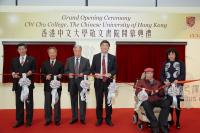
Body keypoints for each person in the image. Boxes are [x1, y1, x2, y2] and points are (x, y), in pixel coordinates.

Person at [135, 68, 171, 133]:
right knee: (145, 103)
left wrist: (164, 90)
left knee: (167, 102)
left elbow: (161, 94)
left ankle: (162, 125)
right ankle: (155, 125)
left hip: (157, 100)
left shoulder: (157, 82)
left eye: (150, 73)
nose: (149, 75)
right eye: (147, 73)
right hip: (148, 100)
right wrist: (149, 93)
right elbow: (137, 92)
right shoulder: (140, 82)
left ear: (153, 74)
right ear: (145, 74)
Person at [91, 40, 117, 126]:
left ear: (108, 47)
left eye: (106, 45)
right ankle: (99, 119)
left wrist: (110, 73)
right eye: (103, 45)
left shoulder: (113, 57)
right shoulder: (96, 57)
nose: (105, 47)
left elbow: (115, 69)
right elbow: (92, 69)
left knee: (108, 102)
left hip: (108, 83)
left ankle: (108, 119)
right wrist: (95, 74)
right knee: (99, 102)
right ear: (100, 47)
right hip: (98, 82)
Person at [11, 43, 36, 128]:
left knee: (29, 103)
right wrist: (13, 74)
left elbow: (33, 69)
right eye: (19, 49)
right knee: (19, 103)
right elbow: (12, 70)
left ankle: (29, 121)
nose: (21, 50)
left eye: (23, 49)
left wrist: (30, 72)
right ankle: (19, 121)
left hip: (28, 85)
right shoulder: (14, 60)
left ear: (26, 49)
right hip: (18, 85)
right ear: (18, 50)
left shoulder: (31, 59)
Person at [65, 45, 90, 125]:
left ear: (81, 51)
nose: (77, 52)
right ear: (73, 51)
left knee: (82, 101)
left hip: (82, 84)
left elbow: (88, 71)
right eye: (76, 51)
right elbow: (65, 71)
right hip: (72, 83)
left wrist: (83, 74)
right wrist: (69, 74)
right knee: (73, 101)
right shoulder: (69, 60)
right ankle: (74, 118)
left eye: (79, 51)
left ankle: (82, 118)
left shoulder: (86, 60)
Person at [160, 48, 185, 129]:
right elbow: (162, 75)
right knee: (169, 104)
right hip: (167, 87)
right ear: (167, 55)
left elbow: (183, 74)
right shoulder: (164, 63)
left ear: (175, 55)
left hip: (177, 86)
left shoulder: (181, 63)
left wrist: (178, 80)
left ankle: (178, 121)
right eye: (169, 54)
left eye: (173, 54)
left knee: (177, 105)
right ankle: (171, 120)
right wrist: (164, 81)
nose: (171, 56)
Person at [41, 47, 64, 126]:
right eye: (50, 53)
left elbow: (63, 75)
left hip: (57, 87)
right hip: (47, 87)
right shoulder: (44, 63)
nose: (52, 54)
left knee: (57, 104)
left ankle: (57, 120)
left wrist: (61, 76)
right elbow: (42, 75)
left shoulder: (60, 63)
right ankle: (48, 119)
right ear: (48, 54)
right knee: (47, 104)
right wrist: (45, 77)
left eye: (54, 52)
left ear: (56, 53)